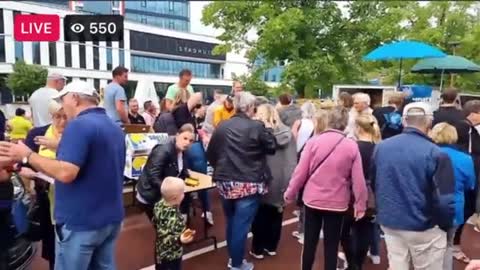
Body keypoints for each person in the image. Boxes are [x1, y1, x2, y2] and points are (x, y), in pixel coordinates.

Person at [0, 81, 126, 270]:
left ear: (74, 98)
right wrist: (59, 147)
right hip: (110, 218)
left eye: (63, 100)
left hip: (81, 221)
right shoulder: (113, 126)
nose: (63, 106)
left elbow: (66, 173)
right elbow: (96, 159)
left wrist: (27, 156)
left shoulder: (78, 125)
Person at [371, 102, 455, 270]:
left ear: (404, 121)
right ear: (429, 122)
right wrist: (445, 225)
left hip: (391, 221)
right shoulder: (436, 153)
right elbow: (444, 199)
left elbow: (374, 182)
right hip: (423, 225)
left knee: (397, 264)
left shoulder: (382, 147)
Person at [284, 107, 368, 270]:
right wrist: (360, 204)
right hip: (337, 202)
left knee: (309, 243)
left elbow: (299, 173)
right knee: (331, 245)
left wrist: (290, 193)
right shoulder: (351, 145)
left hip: (313, 200)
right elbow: (358, 180)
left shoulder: (313, 142)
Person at [207, 91, 276, 270]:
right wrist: (267, 127)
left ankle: (234, 259)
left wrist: (221, 169)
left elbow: (211, 154)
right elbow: (272, 147)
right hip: (249, 182)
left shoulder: (222, 125)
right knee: (240, 225)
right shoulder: (257, 127)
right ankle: (236, 263)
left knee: (232, 221)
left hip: (225, 181)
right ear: (251, 107)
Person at [21, 100, 68, 270]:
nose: (62, 121)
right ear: (51, 116)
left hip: (70, 199)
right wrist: (30, 181)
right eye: (58, 117)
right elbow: (22, 164)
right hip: (46, 197)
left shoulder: (76, 135)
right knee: (51, 245)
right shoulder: (38, 133)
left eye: (66, 117)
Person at [249, 104, 297, 259]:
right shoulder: (288, 133)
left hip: (262, 179)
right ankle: (271, 246)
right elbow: (292, 160)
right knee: (276, 214)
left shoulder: (257, 134)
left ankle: (257, 248)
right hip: (281, 180)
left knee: (260, 215)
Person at [430, 123, 476, 269]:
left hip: (427, 207)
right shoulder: (465, 159)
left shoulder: (426, 154)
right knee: (448, 245)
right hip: (454, 207)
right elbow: (471, 185)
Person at [340, 114, 381, 270]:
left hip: (349, 193)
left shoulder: (351, 147)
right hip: (372, 195)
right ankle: (358, 263)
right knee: (365, 229)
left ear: (357, 128)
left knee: (344, 230)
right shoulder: (379, 148)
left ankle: (352, 263)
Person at [136, 124, 195, 220]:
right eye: (185, 138)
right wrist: (170, 191)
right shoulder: (163, 150)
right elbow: (153, 176)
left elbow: (181, 169)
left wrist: (187, 177)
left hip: (164, 195)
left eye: (191, 141)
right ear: (177, 135)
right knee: (165, 227)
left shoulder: (182, 151)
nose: (187, 143)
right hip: (151, 194)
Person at [291, 109, 328, 245]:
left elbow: (302, 169)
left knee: (306, 206)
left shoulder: (312, 142)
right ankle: (319, 230)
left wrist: (291, 190)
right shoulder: (335, 140)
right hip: (327, 180)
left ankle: (304, 233)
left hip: (311, 179)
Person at [153, 177, 194, 270]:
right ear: (175, 198)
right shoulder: (173, 218)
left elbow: (155, 222)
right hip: (171, 256)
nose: (184, 194)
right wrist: (180, 239)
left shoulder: (159, 205)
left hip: (159, 251)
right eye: (182, 193)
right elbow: (167, 239)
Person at [455, 100, 480, 234]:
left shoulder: (471, 128)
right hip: (466, 171)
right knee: (467, 204)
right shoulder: (464, 128)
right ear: (473, 114)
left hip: (470, 171)